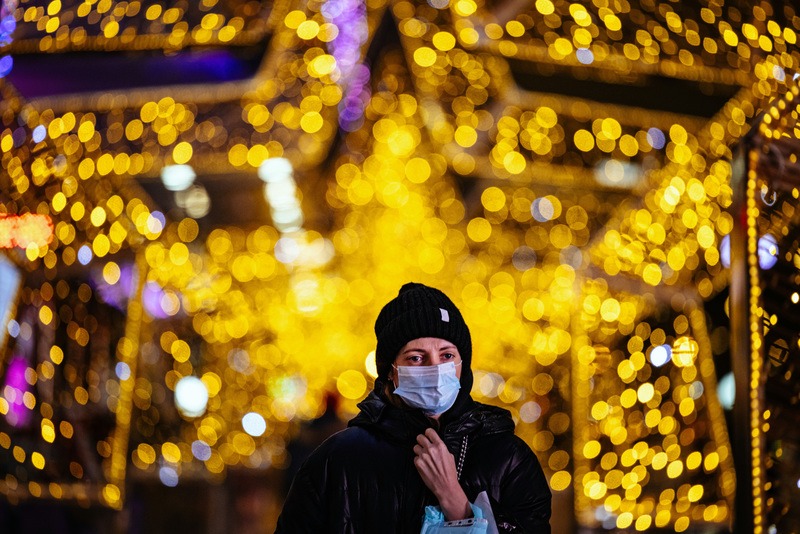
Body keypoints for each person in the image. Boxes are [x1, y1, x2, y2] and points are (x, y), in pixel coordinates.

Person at [275, 282, 552, 533]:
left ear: (462, 365)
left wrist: (455, 502)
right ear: (391, 372)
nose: (435, 367)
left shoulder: (508, 458)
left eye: (446, 355)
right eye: (416, 358)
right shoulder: (337, 460)